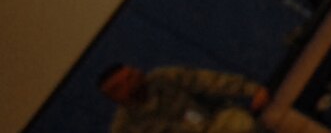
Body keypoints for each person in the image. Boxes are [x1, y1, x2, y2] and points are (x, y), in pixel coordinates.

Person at [97, 64, 267, 133]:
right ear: (114, 97)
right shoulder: (124, 128)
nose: (132, 81)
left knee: (241, 124)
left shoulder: (164, 77)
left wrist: (252, 90)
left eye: (130, 75)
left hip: (212, 123)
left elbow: (208, 81)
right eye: (120, 86)